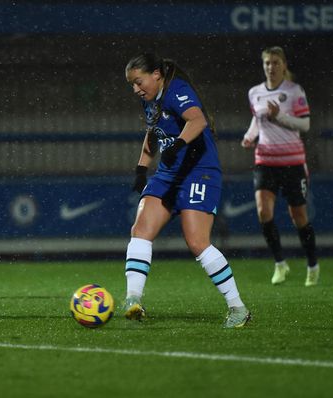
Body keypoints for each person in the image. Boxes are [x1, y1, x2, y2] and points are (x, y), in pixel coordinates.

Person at [124, 53, 251, 328]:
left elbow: (198, 121)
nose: (135, 89)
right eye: (132, 85)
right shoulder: (151, 102)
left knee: (197, 242)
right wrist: (141, 168)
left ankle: (237, 307)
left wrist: (179, 145)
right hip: (168, 174)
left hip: (199, 172)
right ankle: (132, 299)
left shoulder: (177, 90)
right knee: (141, 230)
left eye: (138, 81)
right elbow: (151, 134)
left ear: (156, 74)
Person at [241, 46, 319, 287]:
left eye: (275, 63)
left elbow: (305, 125)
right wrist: (249, 136)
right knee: (263, 211)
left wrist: (280, 117)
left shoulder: (294, 91)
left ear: (284, 65)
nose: (270, 67)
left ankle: (312, 264)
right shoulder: (254, 92)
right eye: (267, 63)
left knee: (299, 217)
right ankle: (279, 264)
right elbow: (257, 119)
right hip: (265, 160)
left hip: (293, 162)